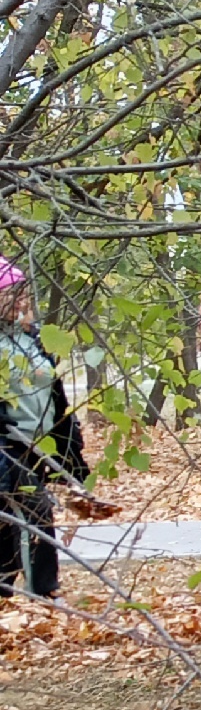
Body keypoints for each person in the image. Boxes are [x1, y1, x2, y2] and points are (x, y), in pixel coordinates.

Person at [0, 258, 89, 601]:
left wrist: (68, 441)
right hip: (8, 442)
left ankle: (31, 588)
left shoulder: (34, 340)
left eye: (23, 293)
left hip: (39, 442)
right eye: (12, 294)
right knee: (29, 512)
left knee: (29, 514)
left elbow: (54, 394)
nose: (22, 301)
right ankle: (38, 589)